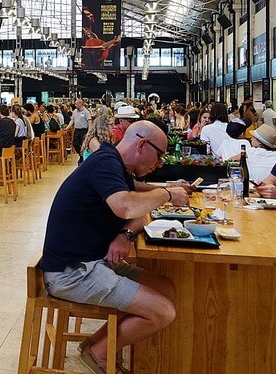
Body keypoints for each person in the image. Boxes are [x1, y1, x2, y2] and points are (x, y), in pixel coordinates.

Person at [39, 121, 181, 373]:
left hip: (93, 262)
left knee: (165, 288)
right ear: (141, 145)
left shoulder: (114, 164)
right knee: (164, 312)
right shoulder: (106, 163)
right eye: (159, 156)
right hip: (72, 273)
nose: (159, 164)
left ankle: (95, 344)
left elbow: (135, 198)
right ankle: (99, 354)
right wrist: (167, 195)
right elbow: (126, 206)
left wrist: (125, 234)